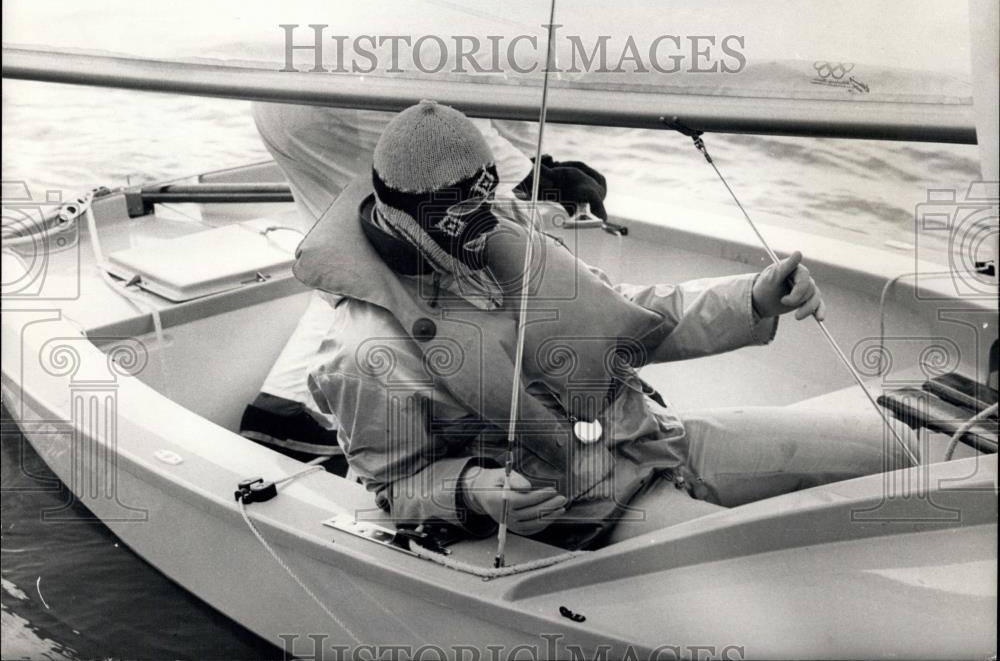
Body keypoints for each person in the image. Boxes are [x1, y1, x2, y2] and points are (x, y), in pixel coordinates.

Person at [295, 100, 918, 548]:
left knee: (895, 453)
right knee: (770, 572)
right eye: (463, 207)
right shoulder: (362, 349)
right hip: (588, 506)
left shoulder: (502, 235)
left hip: (659, 442)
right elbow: (395, 487)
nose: (485, 220)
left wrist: (752, 298)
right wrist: (474, 489)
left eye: (488, 198)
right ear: (404, 210)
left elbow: (628, 318)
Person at [240, 102, 609, 458]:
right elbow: (460, 116)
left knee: (347, 247)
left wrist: (534, 170)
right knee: (408, 254)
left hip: (283, 97)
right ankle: (337, 418)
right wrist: (535, 177)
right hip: (367, 98)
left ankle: (285, 403)